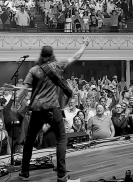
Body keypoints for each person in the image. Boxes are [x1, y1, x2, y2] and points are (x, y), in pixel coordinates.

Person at [16, 37, 90, 182]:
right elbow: (76, 56)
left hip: (37, 109)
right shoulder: (58, 66)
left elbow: (24, 89)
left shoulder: (33, 70)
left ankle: (24, 173)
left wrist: (16, 103)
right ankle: (62, 175)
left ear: (41, 55)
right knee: (61, 139)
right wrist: (84, 45)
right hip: (52, 107)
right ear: (52, 55)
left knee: (29, 140)